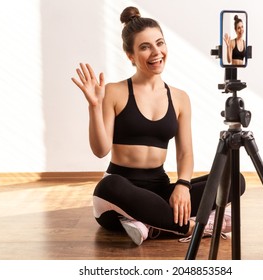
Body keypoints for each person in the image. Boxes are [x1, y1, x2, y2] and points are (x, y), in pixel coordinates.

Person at [72, 6, 245, 246]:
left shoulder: (180, 97)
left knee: (234, 178)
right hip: (120, 194)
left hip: (161, 192)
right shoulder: (114, 91)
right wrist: (94, 106)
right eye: (145, 47)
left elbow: (185, 152)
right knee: (109, 185)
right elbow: (101, 150)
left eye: (159, 43)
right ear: (130, 55)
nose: (156, 52)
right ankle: (195, 226)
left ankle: (148, 225)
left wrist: (183, 186)